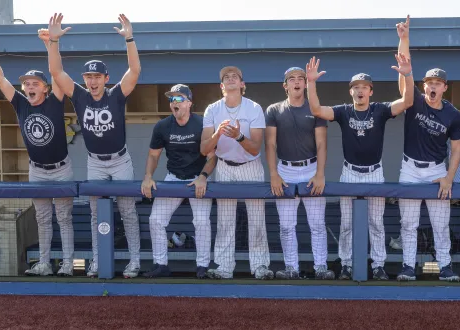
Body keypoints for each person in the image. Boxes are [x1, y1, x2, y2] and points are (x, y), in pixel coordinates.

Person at [45, 13, 142, 278]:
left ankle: (134, 261)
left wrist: (129, 39)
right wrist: (53, 41)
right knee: (94, 212)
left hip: (120, 160)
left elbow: (134, 72)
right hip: (95, 162)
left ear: (106, 78)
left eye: (97, 76)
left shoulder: (116, 95)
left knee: (127, 211)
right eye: (88, 76)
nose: (92, 81)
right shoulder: (79, 95)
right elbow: (56, 72)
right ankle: (98, 261)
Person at [306, 52, 414, 280]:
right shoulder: (344, 111)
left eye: (364, 87)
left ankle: (378, 265)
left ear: (371, 91)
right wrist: (311, 82)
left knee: (376, 224)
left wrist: (408, 75)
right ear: (351, 91)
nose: (360, 90)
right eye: (356, 87)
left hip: (374, 172)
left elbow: (407, 102)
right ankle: (346, 264)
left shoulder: (380, 109)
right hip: (350, 173)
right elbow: (316, 110)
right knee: (347, 224)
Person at [0, 32, 75, 276]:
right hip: (37, 170)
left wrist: (50, 44)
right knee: (42, 219)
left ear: (45, 88)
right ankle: (44, 264)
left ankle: (67, 265)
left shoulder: (54, 100)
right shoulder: (21, 103)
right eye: (27, 84)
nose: (30, 86)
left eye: (35, 83)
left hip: (61, 168)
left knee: (64, 218)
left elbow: (57, 72)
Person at [395, 16, 460, 281]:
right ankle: (408, 267)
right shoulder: (413, 101)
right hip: (410, 168)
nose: (432, 86)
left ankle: (445, 267)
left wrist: (449, 177)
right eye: (429, 83)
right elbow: (405, 70)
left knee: (440, 224)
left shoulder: (453, 114)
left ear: (444, 87)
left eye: (437, 83)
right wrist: (404, 39)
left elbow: (456, 149)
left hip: (436, 170)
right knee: (408, 224)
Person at [200, 66, 274, 280]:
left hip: (250, 166)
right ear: (221, 86)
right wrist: (216, 134)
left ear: (242, 84)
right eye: (226, 77)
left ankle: (260, 265)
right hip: (224, 165)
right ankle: (224, 267)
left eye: (235, 77)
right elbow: (205, 149)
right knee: (225, 221)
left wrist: (239, 136)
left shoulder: (254, 108)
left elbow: (255, 148)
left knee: (257, 219)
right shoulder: (212, 109)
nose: (230, 79)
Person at [140, 84, 217, 279]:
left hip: (197, 178)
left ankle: (202, 266)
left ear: (189, 103)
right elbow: (153, 156)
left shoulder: (202, 124)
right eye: (171, 99)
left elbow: (212, 156)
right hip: (173, 177)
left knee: (201, 222)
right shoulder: (163, 126)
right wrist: (148, 177)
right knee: (155, 220)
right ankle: (161, 264)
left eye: (179, 99)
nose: (174, 102)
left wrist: (203, 177)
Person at [265, 67, 334, 280]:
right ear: (285, 85)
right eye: (291, 79)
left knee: (317, 224)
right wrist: (274, 174)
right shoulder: (274, 110)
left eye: (300, 79)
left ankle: (321, 267)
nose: (296, 82)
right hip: (285, 170)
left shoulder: (315, 109)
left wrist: (320, 173)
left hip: (311, 169)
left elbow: (322, 143)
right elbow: (270, 144)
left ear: (306, 84)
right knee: (286, 226)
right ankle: (291, 268)